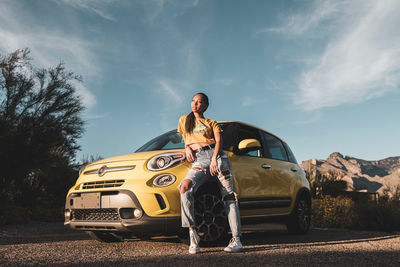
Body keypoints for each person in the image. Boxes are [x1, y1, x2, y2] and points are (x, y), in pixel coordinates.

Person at [177, 92, 243, 254]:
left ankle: (237, 240)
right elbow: (185, 137)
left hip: (217, 158)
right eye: (193, 101)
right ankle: (193, 235)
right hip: (199, 160)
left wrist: (214, 159)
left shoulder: (211, 122)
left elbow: (219, 141)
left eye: (199, 102)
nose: (195, 104)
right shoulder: (184, 120)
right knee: (184, 188)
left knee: (229, 196)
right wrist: (187, 148)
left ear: (205, 106)